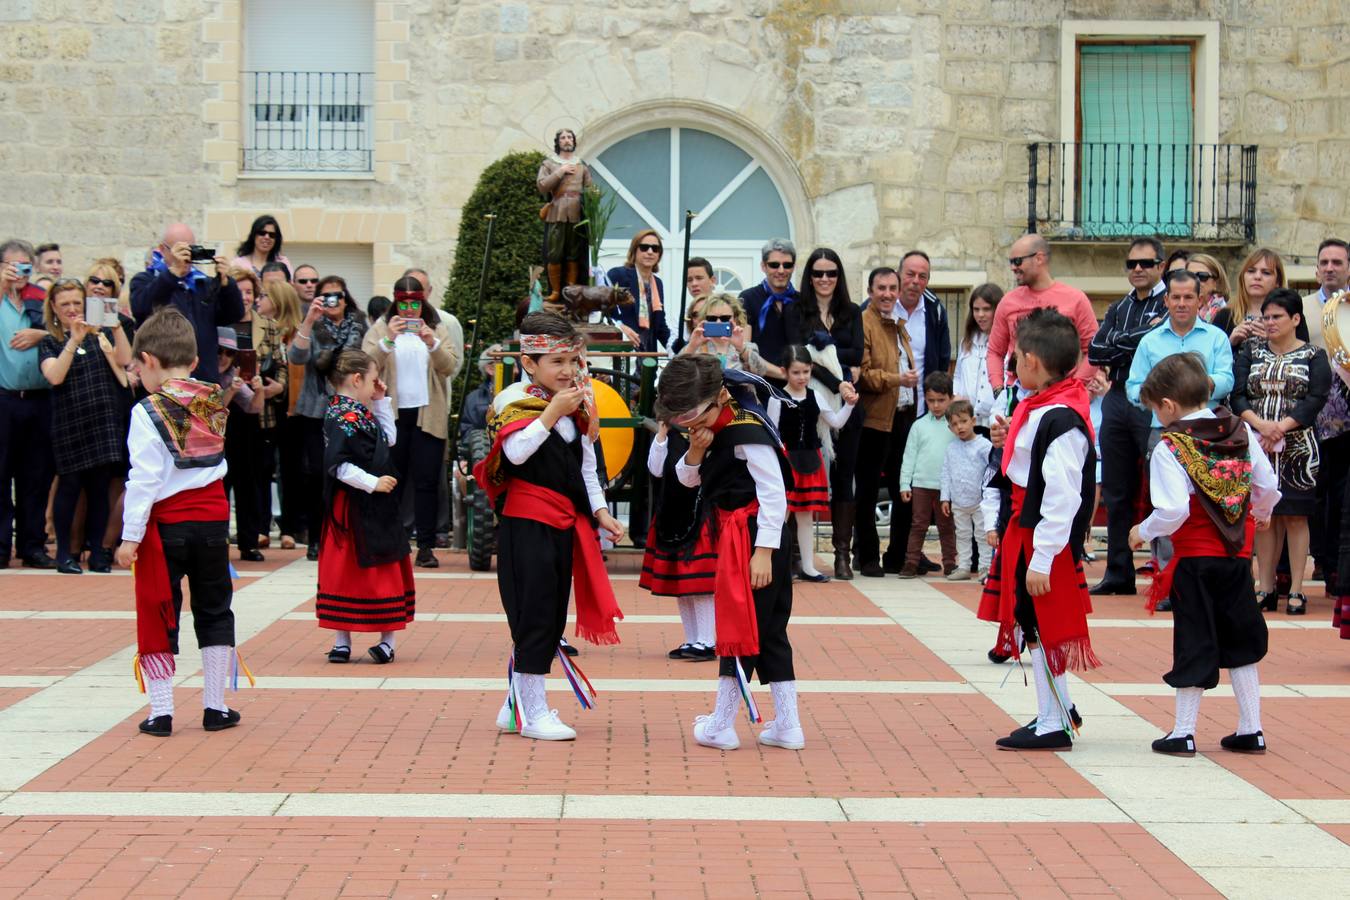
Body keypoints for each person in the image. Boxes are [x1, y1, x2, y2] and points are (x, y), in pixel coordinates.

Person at [475, 312, 625, 742]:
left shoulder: (578, 401)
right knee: (535, 614)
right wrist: (551, 414)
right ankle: (534, 711)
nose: (567, 370)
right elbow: (514, 455)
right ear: (529, 362)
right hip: (527, 522)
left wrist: (600, 511)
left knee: (551, 612)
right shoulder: (512, 400)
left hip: (563, 521)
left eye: (573, 360)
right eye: (557, 361)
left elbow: (587, 466)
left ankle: (515, 705)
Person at [1130, 352, 1280, 757]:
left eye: (1155, 410)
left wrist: (1142, 531)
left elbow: (1173, 510)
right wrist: (1262, 513)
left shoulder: (1172, 446)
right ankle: (1251, 728)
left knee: (1194, 638)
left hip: (1195, 559)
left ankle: (1184, 731)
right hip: (1237, 556)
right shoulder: (1240, 433)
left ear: (1168, 406)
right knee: (1242, 637)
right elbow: (1267, 484)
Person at [654, 355, 801, 752]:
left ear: (720, 396)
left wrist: (763, 552)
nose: (689, 425)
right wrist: (695, 450)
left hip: (754, 538)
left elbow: (774, 494)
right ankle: (788, 725)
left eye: (693, 416)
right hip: (740, 536)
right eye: (681, 420)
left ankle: (721, 724)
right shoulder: (710, 428)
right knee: (768, 631)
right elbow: (688, 479)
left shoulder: (746, 429)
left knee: (741, 630)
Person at [115, 308, 242, 738]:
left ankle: (162, 711)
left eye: (139, 367)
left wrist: (130, 536)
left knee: (160, 609)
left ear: (149, 360)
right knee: (214, 608)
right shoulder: (212, 399)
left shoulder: (146, 410)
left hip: (167, 525)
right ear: (193, 360)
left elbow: (144, 479)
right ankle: (215, 706)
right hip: (213, 522)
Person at [978, 308, 1100, 752]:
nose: (1012, 363)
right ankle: (1059, 709)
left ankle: (1053, 722)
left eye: (1015, 356)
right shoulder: (1044, 406)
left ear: (1031, 360)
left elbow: (1063, 495)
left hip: (1040, 533)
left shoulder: (1059, 417)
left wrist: (1044, 557)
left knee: (1043, 624)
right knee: (1034, 623)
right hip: (1026, 527)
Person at [1231, 289, 1331, 615]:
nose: (1270, 322)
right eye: (1266, 317)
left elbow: (1316, 398)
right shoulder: (1250, 350)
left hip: (1299, 447)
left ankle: (1297, 590)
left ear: (1296, 319)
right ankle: (1266, 586)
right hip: (1257, 444)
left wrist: (1282, 427)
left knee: (1296, 516)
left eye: (1277, 317)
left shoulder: (1314, 355)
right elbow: (1238, 395)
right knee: (1264, 517)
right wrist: (1261, 425)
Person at [315, 350, 415, 665]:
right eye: (374, 380)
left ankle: (387, 641)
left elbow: (389, 440)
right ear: (357, 379)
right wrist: (372, 483)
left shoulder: (359, 411)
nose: (377, 385)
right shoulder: (340, 416)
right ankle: (342, 639)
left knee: (384, 567)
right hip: (353, 504)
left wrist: (382, 402)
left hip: (375, 502)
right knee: (346, 571)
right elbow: (338, 465)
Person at [1086, 238, 1169, 595]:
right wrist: (1137, 338)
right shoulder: (1119, 306)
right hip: (1118, 396)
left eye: (1146, 263)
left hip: (1155, 399)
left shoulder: (1170, 302)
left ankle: (1166, 575)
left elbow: (1156, 340)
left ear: (1161, 266)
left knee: (1162, 488)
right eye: (1132, 263)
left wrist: (1120, 341)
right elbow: (1095, 350)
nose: (1138, 269)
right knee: (1116, 490)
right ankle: (1119, 573)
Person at [362, 276, 462, 567]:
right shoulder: (380, 327)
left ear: (423, 303)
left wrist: (432, 343)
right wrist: (387, 341)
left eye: (415, 304)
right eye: (403, 304)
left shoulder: (437, 328)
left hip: (427, 415)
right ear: (396, 302)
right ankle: (391, 542)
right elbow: (365, 365)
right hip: (391, 416)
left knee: (427, 482)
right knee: (391, 480)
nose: (409, 310)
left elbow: (450, 366)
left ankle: (426, 546)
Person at [38, 279, 132, 574]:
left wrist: (115, 325)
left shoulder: (100, 335)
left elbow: (125, 359)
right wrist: (73, 340)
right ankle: (64, 553)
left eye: (77, 303)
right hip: (70, 424)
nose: (71, 309)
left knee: (99, 488)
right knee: (69, 487)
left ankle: (98, 553)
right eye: (64, 304)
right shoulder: (50, 341)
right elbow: (54, 376)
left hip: (103, 423)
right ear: (54, 308)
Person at [790, 248, 866, 578]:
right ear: (809, 277)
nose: (825, 279)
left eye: (831, 273)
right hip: (808, 406)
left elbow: (857, 353)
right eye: (818, 273)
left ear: (839, 276)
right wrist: (839, 380)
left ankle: (841, 555)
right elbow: (801, 358)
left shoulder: (851, 311)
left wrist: (823, 350)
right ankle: (796, 555)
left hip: (847, 405)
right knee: (799, 476)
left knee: (844, 476)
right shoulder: (796, 310)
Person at [288, 275, 368, 561]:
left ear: (346, 299)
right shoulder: (314, 324)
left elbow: (369, 361)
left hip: (350, 409)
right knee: (316, 474)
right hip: (317, 409)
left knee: (351, 470)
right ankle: (316, 537)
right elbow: (296, 357)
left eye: (338, 295)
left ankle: (350, 534)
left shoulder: (360, 325)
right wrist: (309, 319)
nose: (333, 301)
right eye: (326, 296)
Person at [854, 267, 917, 578]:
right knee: (867, 490)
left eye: (893, 288)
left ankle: (897, 556)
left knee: (903, 487)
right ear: (870, 291)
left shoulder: (899, 324)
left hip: (904, 416)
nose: (888, 294)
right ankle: (866, 556)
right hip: (874, 419)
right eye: (881, 288)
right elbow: (863, 374)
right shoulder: (863, 322)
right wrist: (897, 379)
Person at [639, 421, 717, 661]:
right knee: (682, 584)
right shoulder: (669, 435)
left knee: (700, 583)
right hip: (671, 514)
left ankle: (707, 640)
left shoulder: (710, 430)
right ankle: (692, 639)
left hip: (700, 513)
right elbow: (655, 470)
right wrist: (662, 434)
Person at [0, 238, 56, 570]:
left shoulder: (41, 299)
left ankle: (32, 545)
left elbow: (65, 332)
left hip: (39, 399)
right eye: (12, 265)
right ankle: (0, 546)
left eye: (25, 265)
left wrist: (41, 335)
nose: (19, 271)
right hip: (5, 399)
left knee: (36, 476)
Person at [129, 223, 245, 384]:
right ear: (163, 249)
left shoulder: (203, 283)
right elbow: (141, 308)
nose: (186, 255)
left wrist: (227, 284)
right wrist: (173, 274)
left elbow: (233, 314)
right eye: (180, 249)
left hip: (203, 378)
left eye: (191, 249)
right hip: (163, 378)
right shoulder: (146, 280)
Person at [779, 345, 857, 582]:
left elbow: (836, 422)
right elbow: (771, 432)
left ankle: (808, 567)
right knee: (780, 516)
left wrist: (849, 405)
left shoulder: (816, 396)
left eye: (806, 371)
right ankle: (777, 565)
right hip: (785, 463)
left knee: (806, 518)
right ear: (784, 372)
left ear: (811, 369)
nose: (802, 377)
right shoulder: (776, 397)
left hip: (810, 460)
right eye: (796, 372)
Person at [1299, 239, 1350, 589]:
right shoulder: (1301, 308)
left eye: (1337, 262)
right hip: (1312, 415)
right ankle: (1321, 557)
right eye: (1324, 262)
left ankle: (1337, 563)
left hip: (1347, 416)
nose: (1330, 268)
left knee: (1343, 492)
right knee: (1314, 491)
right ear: (1317, 269)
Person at [987, 234, 1099, 393]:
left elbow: (1094, 350)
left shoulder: (1076, 299)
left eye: (1017, 261)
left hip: (1061, 392)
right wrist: (998, 388)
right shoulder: (1007, 302)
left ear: (1039, 258)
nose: (1012, 267)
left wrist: (1075, 387)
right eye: (1010, 262)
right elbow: (995, 351)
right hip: (1018, 392)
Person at [898, 371, 957, 578]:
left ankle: (950, 563)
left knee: (946, 526)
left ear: (951, 398)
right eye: (931, 400)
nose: (936, 405)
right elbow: (909, 456)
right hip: (921, 484)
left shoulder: (955, 426)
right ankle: (911, 563)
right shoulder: (919, 425)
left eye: (941, 400)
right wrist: (905, 484)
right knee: (918, 525)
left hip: (946, 487)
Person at [893, 252, 953, 420]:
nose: (915, 281)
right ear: (898, 275)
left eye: (922, 276)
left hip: (921, 409)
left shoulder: (936, 310)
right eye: (910, 274)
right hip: (884, 410)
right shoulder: (879, 305)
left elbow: (943, 359)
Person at [940, 399, 993, 581]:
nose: (960, 427)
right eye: (954, 424)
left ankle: (985, 567)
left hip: (980, 501)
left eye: (963, 421)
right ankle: (963, 566)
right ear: (950, 428)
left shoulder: (984, 446)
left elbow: (992, 470)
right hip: (958, 501)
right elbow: (946, 473)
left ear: (973, 421)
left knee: (982, 535)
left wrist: (989, 495)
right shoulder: (951, 448)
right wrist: (945, 497)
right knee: (962, 535)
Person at [537, 129, 592, 302]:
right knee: (554, 253)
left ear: (574, 141)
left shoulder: (581, 165)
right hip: (557, 210)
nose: (567, 140)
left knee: (574, 253)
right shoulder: (549, 164)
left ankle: (571, 290)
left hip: (576, 212)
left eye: (569, 137)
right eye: (563, 138)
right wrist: (560, 171)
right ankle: (555, 291)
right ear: (558, 142)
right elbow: (542, 186)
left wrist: (592, 197)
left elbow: (590, 188)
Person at [738, 239, 798, 379]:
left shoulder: (803, 301)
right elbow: (744, 350)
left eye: (787, 265)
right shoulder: (747, 298)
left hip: (798, 383)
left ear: (793, 267)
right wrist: (783, 374)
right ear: (763, 266)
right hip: (760, 383)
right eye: (774, 265)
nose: (781, 270)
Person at [607, 230, 670, 351]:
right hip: (624, 350)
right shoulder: (618, 275)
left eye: (655, 249)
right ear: (634, 250)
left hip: (648, 353)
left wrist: (680, 349)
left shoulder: (658, 283)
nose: (650, 252)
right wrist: (620, 327)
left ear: (659, 254)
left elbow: (660, 325)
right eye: (644, 247)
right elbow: (603, 313)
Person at [952, 283, 1003, 429]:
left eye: (986, 309)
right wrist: (956, 396)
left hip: (994, 423)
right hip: (967, 423)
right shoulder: (966, 341)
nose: (980, 315)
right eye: (976, 309)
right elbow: (958, 375)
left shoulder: (1006, 343)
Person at [1221, 247, 1287, 346]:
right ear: (1243, 277)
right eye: (1251, 271)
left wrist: (1274, 342)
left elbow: (1303, 352)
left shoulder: (1290, 317)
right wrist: (1230, 342)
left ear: (1278, 281)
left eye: (1266, 273)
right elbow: (1210, 354)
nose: (1257, 277)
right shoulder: (1225, 316)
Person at [672, 257, 718, 353]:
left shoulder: (726, 309)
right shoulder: (682, 315)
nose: (694, 284)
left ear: (712, 280)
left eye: (699, 278)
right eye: (689, 280)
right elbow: (672, 351)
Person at [1185, 252, 1232, 325]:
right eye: (1189, 276)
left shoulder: (1226, 315)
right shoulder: (1177, 308)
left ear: (1217, 282)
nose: (1195, 281)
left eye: (1202, 276)